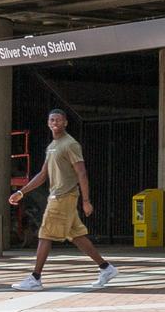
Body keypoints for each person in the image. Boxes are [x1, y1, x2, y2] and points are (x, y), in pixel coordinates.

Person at [8, 109, 119, 290]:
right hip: (61, 196)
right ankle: (106, 268)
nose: (55, 122)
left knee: (45, 235)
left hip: (62, 197)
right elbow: (43, 174)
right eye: (52, 119)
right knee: (76, 235)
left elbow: (81, 172)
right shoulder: (52, 146)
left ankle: (35, 278)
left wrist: (86, 200)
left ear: (66, 123)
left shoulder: (70, 144)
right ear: (48, 123)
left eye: (59, 120)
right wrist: (22, 192)